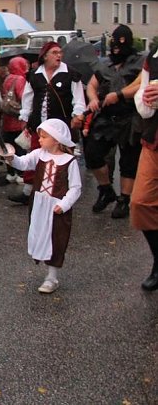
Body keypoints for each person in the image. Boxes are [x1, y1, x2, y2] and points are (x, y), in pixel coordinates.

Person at [2, 119, 82, 294]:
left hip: (57, 208)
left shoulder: (69, 161)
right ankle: (47, 270)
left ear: (56, 139)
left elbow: (76, 188)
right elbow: (22, 163)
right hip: (39, 204)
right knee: (41, 236)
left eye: (44, 137)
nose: (40, 140)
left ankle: (52, 278)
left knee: (56, 239)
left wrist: (64, 204)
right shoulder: (39, 154)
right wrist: (11, 157)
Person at [10, 41, 86, 205]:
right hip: (39, 126)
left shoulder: (70, 74)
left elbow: (79, 98)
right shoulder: (35, 75)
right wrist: (25, 118)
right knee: (36, 157)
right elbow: (28, 98)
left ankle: (62, 192)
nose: (59, 55)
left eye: (60, 52)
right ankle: (29, 192)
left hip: (61, 127)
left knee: (61, 160)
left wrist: (77, 114)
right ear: (45, 56)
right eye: (54, 52)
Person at [83, 25, 144, 219]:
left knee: (129, 161)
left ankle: (124, 200)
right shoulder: (105, 63)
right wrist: (93, 98)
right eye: (114, 45)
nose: (116, 49)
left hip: (130, 117)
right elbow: (92, 85)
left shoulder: (140, 62)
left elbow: (142, 84)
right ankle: (106, 190)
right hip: (106, 118)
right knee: (93, 152)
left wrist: (119, 95)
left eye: (120, 45)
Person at [131, 47, 158, 290]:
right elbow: (142, 94)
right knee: (140, 203)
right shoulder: (154, 56)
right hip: (154, 139)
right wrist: (147, 100)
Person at [0, 56, 29, 183]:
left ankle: (10, 172)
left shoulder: (7, 78)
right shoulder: (20, 79)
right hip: (17, 119)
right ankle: (21, 174)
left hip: (7, 118)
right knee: (20, 147)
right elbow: (24, 97)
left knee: (9, 147)